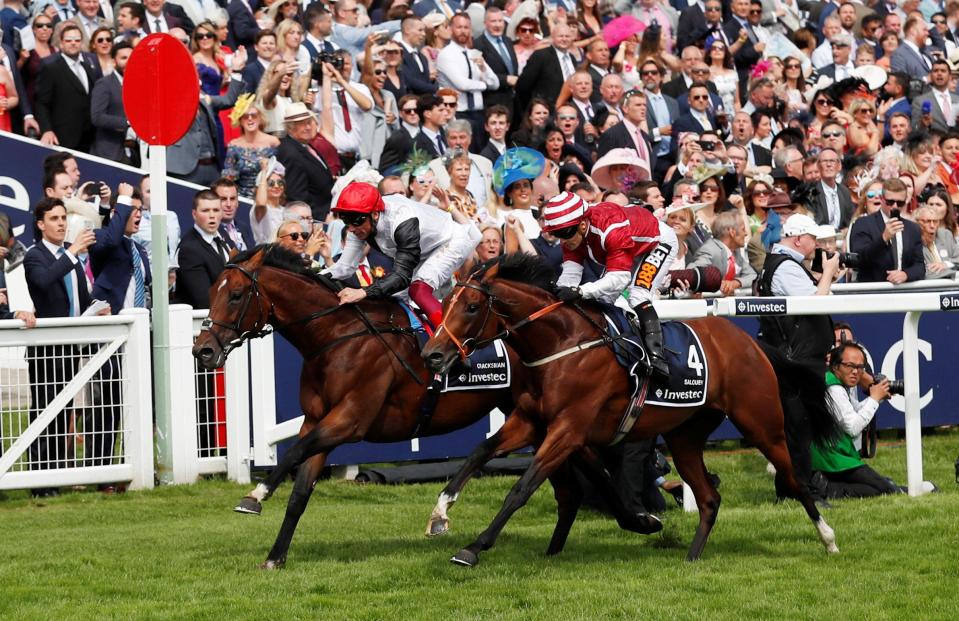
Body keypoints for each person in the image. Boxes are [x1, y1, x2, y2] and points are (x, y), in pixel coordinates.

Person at [754, 213, 838, 504]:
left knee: (795, 427)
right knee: (798, 427)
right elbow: (815, 306)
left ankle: (791, 489)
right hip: (796, 358)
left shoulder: (780, 263)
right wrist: (827, 273)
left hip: (790, 354)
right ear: (799, 239)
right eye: (813, 239)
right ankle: (802, 490)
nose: (817, 245)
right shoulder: (786, 267)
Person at [543, 192, 674, 379]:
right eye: (556, 234)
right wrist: (559, 294)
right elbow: (571, 274)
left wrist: (580, 291)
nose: (561, 241)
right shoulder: (572, 231)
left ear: (582, 225)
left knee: (638, 294)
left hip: (658, 242)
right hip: (631, 245)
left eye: (564, 234)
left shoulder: (610, 229)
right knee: (603, 299)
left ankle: (657, 358)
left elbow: (620, 278)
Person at [24, 197, 101, 497]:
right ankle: (39, 482)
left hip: (71, 346)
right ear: (41, 224)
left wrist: (97, 307)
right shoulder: (35, 256)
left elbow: (79, 297)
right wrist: (71, 252)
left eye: (62, 218)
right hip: (47, 348)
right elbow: (43, 282)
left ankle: (54, 477)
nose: (61, 223)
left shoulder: (73, 259)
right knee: (44, 413)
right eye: (54, 219)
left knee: (63, 414)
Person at [325, 182, 480, 328]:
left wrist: (362, 292)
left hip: (451, 241)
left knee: (418, 290)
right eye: (346, 221)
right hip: (423, 250)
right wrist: (310, 276)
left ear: (375, 214)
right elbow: (344, 267)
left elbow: (402, 276)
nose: (351, 228)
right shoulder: (359, 225)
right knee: (395, 298)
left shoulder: (402, 220)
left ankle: (454, 340)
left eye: (356, 221)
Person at [811, 341, 900, 499]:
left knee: (880, 487)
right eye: (849, 366)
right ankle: (826, 488)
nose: (855, 372)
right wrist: (873, 399)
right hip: (831, 458)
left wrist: (877, 398)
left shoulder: (832, 381)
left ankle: (826, 485)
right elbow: (852, 427)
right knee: (886, 488)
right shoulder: (834, 389)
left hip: (830, 456)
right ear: (836, 366)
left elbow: (851, 414)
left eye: (860, 367)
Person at [35, 22, 99, 151]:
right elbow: (41, 103)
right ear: (61, 43)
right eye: (69, 40)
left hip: (89, 136)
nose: (73, 43)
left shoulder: (87, 67)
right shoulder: (51, 67)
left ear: (81, 42)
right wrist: (47, 130)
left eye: (77, 40)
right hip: (63, 136)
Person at [849, 178, 925, 284]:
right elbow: (859, 259)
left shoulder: (912, 228)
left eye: (900, 203)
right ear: (881, 198)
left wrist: (906, 274)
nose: (894, 206)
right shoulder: (863, 224)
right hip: (873, 290)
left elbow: (920, 266)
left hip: (904, 291)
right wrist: (883, 238)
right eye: (890, 202)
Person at [277, 102, 335, 220]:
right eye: (301, 124)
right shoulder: (290, 153)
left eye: (308, 122)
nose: (308, 127)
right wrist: (321, 218)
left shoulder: (304, 145)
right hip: (317, 219)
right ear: (290, 127)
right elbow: (297, 196)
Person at [175, 189, 228, 310]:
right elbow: (204, 300)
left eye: (216, 210)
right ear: (194, 214)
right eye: (205, 210)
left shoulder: (223, 238)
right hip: (202, 323)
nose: (212, 215)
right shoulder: (189, 249)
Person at [222, 97, 280, 199]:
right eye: (245, 116)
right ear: (240, 121)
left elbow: (281, 174)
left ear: (260, 119)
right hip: (242, 198)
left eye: (253, 115)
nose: (250, 119)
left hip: (268, 196)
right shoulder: (234, 145)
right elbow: (228, 180)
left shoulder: (273, 142)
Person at [687, 210, 756, 296]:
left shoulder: (735, 252)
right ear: (732, 232)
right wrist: (718, 284)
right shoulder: (710, 250)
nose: (746, 234)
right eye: (743, 229)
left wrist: (736, 283)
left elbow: (753, 276)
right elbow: (692, 272)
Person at [213, 178, 252, 252]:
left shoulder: (244, 227)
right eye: (223, 199)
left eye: (232, 199)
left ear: (237, 202)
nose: (229, 204)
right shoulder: (210, 230)